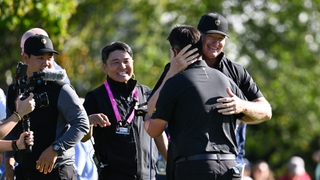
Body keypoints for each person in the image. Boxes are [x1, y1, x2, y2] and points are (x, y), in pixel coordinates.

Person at [147, 12, 272, 180]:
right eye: (211, 36)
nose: (216, 42)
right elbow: (152, 110)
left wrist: (242, 106)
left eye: (221, 38)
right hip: (188, 162)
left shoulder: (235, 71)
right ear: (199, 37)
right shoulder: (176, 68)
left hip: (231, 162)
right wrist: (172, 72)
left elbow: (266, 111)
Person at [14, 27, 97, 180]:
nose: (46, 62)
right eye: (40, 58)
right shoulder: (16, 88)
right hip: (24, 171)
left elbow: (82, 123)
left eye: (49, 57)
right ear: (26, 58)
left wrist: (55, 148)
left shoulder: (61, 88)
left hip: (57, 169)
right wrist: (8, 162)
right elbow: (11, 132)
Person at [81, 41, 167, 180]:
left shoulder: (146, 93)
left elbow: (157, 132)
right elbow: (83, 137)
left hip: (148, 176)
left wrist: (171, 161)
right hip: (113, 176)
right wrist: (89, 121)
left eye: (126, 61)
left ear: (132, 63)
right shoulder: (95, 97)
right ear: (105, 67)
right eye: (115, 62)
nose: (122, 66)